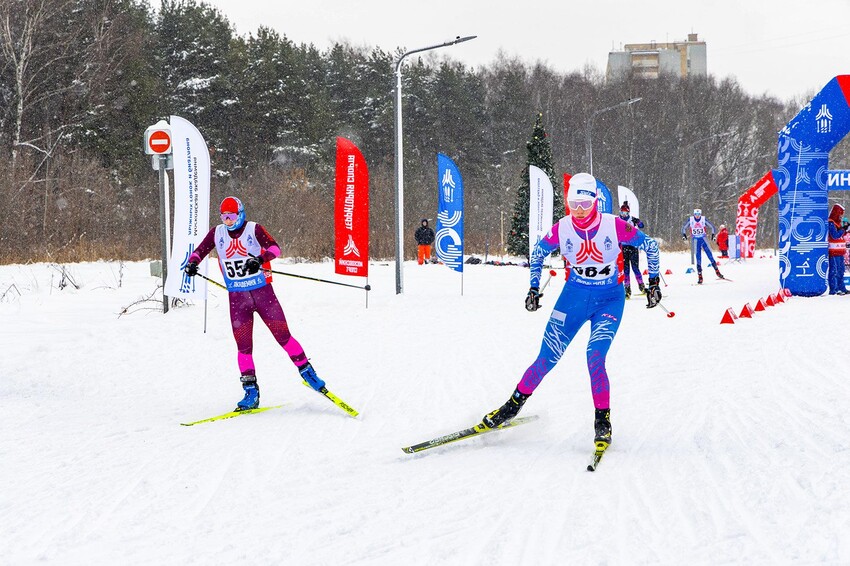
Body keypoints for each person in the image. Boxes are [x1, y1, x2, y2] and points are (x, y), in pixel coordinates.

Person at [480, 173, 662, 450]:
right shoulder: (562, 228)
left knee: (595, 357)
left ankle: (603, 422)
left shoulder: (614, 225)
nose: (578, 210)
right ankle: (510, 408)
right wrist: (533, 289)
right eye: (573, 204)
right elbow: (538, 253)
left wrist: (653, 283)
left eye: (584, 204)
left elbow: (649, 245)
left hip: (609, 301)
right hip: (573, 298)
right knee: (546, 357)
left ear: (595, 202)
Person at [183, 196, 327, 411]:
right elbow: (200, 250)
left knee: (283, 337)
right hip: (238, 299)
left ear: (240, 214)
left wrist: (259, 260)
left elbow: (275, 248)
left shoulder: (254, 229)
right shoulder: (217, 233)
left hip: (263, 295)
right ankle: (251, 392)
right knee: (243, 347)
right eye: (224, 217)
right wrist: (192, 263)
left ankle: (307, 372)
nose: (228, 222)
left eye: (231, 217)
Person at [681, 208, 724, 284]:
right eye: (696, 215)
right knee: (698, 258)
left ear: (700, 214)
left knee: (710, 255)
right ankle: (700, 276)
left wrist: (713, 235)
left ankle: (717, 272)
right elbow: (683, 227)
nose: (697, 216)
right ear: (694, 214)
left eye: (698, 215)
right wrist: (684, 235)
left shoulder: (703, 219)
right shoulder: (691, 220)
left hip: (703, 240)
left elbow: (712, 227)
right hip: (695, 240)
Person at [618, 202, 645, 298]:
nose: (624, 215)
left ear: (628, 213)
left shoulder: (632, 220)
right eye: (622, 213)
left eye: (625, 213)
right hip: (623, 247)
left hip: (633, 247)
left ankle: (641, 286)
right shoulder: (618, 220)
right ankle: (627, 289)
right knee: (625, 270)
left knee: (635, 268)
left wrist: (638, 221)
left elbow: (642, 226)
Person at [827, 203, 849, 295]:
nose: (841, 216)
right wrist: (843, 230)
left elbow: (840, 235)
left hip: (840, 251)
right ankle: (834, 289)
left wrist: (845, 230)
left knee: (841, 271)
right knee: (834, 271)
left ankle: (842, 288)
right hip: (833, 251)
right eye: (840, 214)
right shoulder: (831, 222)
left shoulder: (837, 223)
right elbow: (835, 235)